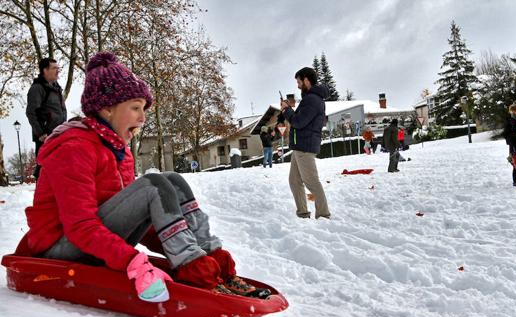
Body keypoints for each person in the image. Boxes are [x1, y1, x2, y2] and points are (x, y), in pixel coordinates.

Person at [24, 52, 269, 303]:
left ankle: (207, 261)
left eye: (144, 109)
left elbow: (143, 218)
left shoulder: (120, 152)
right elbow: (80, 227)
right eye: (135, 108)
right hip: (61, 250)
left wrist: (184, 250)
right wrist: (132, 262)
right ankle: (194, 268)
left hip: (92, 243)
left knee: (173, 181)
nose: (142, 118)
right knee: (154, 184)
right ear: (107, 109)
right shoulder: (75, 148)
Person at [280, 67, 331, 219]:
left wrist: (287, 110)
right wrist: (288, 110)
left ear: (307, 80)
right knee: (294, 181)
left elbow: (299, 121)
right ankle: (302, 213)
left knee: (311, 181)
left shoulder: (312, 99)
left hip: (305, 146)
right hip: (300, 145)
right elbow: (301, 120)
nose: (297, 85)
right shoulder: (310, 98)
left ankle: (323, 214)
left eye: (299, 81)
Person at [26, 58, 67, 180]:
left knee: (58, 168)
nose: (57, 71)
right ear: (45, 70)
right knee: (43, 169)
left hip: (59, 134)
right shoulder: (37, 88)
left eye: (58, 68)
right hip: (45, 136)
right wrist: (41, 133)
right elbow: (31, 112)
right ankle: (40, 196)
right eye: (54, 68)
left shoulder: (56, 87)